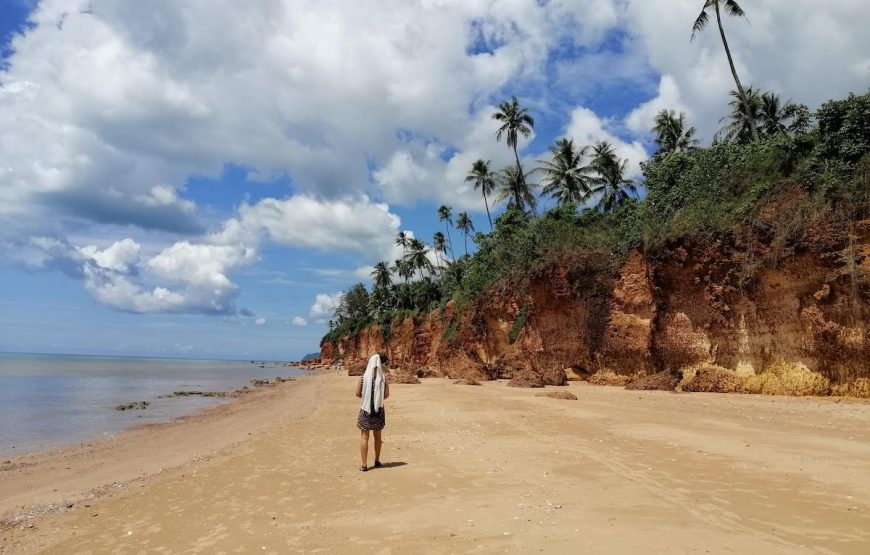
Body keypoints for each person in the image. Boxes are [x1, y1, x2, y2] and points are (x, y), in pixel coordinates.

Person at [355, 353, 390, 471]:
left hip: (365, 410)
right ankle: (377, 460)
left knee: (364, 437)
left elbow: (357, 393)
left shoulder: (363, 378)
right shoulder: (383, 378)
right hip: (378, 410)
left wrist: (367, 398)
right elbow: (386, 396)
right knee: (378, 437)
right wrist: (376, 399)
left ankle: (364, 465)